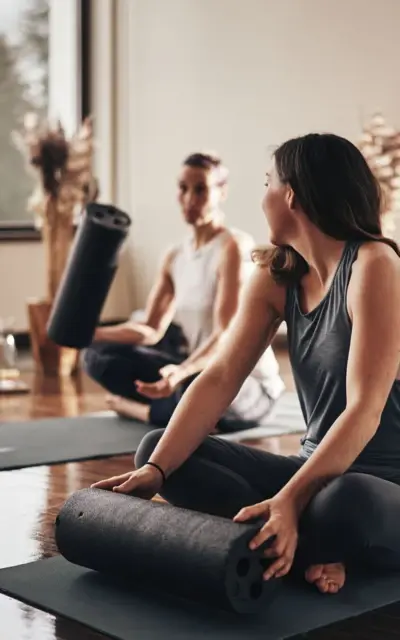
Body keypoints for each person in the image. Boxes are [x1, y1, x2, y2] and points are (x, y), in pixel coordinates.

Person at [93, 133, 400, 595]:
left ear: (291, 194)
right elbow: (218, 378)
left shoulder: (373, 265)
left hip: (380, 484)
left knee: (347, 501)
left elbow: (364, 410)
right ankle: (308, 544)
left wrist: (290, 500)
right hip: (311, 471)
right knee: (162, 449)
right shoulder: (278, 274)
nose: (263, 198)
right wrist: (156, 472)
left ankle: (293, 536)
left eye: (266, 183)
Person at [83, 151, 284, 431]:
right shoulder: (174, 255)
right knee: (97, 357)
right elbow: (150, 328)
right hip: (196, 368)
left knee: (196, 389)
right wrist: (89, 334)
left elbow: (226, 334)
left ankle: (137, 410)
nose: (190, 199)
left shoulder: (233, 247)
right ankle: (171, 406)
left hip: (244, 381)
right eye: (183, 188)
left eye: (201, 189)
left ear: (221, 192)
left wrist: (181, 371)